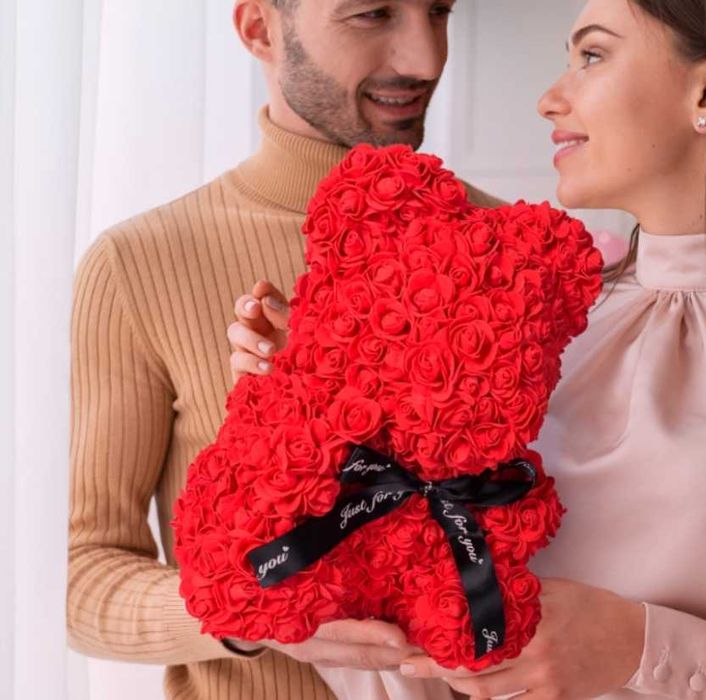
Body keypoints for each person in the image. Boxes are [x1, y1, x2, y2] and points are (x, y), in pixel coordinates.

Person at [229, 1, 706, 699]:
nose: (549, 99)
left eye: (592, 56)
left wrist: (646, 651)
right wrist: (317, 409)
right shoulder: (518, 327)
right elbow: (414, 650)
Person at [66, 1, 502, 699]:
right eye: (374, 14)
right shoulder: (139, 262)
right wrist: (248, 610)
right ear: (259, 29)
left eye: (439, 10)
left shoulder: (509, 248)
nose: (425, 59)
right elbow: (77, 577)